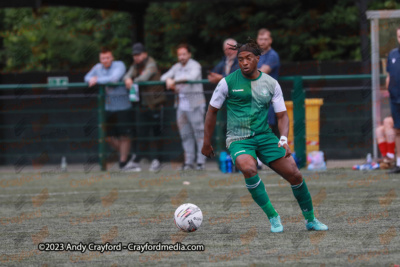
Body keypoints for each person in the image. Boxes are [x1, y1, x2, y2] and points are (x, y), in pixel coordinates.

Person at [201, 38, 328, 232]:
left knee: (295, 174)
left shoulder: (271, 83)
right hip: (238, 138)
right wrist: (206, 141)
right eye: (240, 59)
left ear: (258, 59)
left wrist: (283, 139)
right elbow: (211, 111)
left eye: (248, 58)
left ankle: (310, 219)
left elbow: (282, 115)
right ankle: (273, 217)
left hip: (265, 136)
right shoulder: (227, 82)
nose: (243, 62)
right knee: (248, 168)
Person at [84, 47, 140, 172]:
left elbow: (114, 79)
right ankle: (127, 156)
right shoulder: (97, 67)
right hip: (108, 107)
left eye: (108, 57)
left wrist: (97, 80)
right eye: (103, 58)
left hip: (123, 106)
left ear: (112, 57)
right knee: (107, 136)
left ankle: (123, 163)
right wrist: (92, 79)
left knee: (124, 135)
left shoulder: (119, 65)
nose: (105, 60)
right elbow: (86, 77)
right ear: (100, 59)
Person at [161, 44, 206, 170]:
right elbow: (163, 77)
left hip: (195, 104)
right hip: (181, 106)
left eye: (184, 54)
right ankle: (189, 162)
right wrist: (169, 80)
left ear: (189, 54)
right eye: (179, 54)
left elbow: (191, 77)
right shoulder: (176, 67)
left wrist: (174, 81)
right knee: (185, 135)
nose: (181, 57)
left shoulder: (195, 65)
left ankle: (201, 162)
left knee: (199, 134)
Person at [123, 43, 166, 172]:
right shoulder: (135, 65)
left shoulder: (152, 63)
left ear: (145, 54)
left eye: (138, 54)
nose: (136, 57)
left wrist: (132, 80)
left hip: (156, 104)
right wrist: (127, 79)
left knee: (156, 133)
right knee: (141, 133)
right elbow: (126, 75)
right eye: (134, 55)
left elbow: (144, 77)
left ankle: (157, 160)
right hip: (143, 104)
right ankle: (137, 160)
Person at [257, 28, 280, 138]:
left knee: (266, 129)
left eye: (265, 39)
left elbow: (261, 72)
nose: (263, 42)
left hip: (268, 97)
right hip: (255, 95)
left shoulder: (273, 55)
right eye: (261, 39)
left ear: (270, 40)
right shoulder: (256, 55)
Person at [386, 26, 400, 173]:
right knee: (397, 131)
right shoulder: (393, 54)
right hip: (395, 99)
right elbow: (389, 75)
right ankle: (399, 163)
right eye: (399, 36)